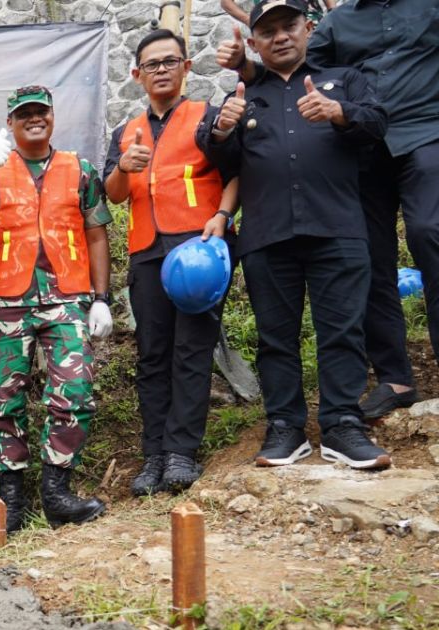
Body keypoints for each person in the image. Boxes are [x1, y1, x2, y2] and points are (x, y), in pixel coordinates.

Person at [218, 0, 439, 420]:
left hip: (425, 132)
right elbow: (292, 70)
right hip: (362, 148)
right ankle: (395, 377)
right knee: (372, 258)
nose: (284, 33)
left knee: (431, 232)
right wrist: (245, 68)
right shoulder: (340, 21)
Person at [204, 0, 391, 469]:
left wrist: (338, 111)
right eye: (268, 32)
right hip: (268, 234)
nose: (281, 37)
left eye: (289, 26)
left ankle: (342, 425)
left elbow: (378, 124)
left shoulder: (343, 79)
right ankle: (285, 427)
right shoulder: (245, 95)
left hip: (339, 228)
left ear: (308, 28)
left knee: (343, 332)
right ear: (254, 43)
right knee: (275, 338)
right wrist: (222, 131)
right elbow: (220, 162)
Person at [0, 86, 112, 534]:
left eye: (40, 112)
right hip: (8, 301)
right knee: (5, 399)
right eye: (23, 115)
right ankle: (11, 500)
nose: (33, 120)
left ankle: (57, 493)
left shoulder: (79, 169)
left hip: (66, 299)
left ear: (52, 117)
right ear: (10, 123)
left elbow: (97, 233)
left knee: (75, 392)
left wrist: (101, 298)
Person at [103, 30, 237, 496]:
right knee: (152, 353)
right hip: (146, 251)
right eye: (151, 64)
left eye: (170, 61)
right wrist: (124, 167)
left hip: (198, 248)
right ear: (136, 74)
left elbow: (238, 173)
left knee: (192, 350)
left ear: (187, 67)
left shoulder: (209, 117)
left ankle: (182, 451)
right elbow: (113, 194)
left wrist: (222, 216)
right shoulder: (125, 131)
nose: (161, 70)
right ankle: (153, 454)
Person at [221, 0, 334, 26]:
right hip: (273, 29)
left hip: (312, 24)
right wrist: (250, 21)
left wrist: (333, 12)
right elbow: (226, 2)